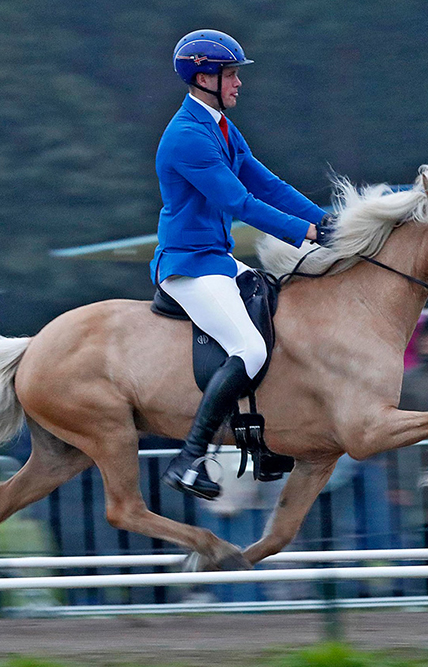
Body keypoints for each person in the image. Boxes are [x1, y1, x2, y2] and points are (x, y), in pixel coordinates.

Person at [152, 29, 333, 499]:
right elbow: (241, 202)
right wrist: (308, 234)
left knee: (275, 311)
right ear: (202, 77)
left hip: (215, 258)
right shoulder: (188, 137)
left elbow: (268, 185)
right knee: (250, 350)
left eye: (235, 74)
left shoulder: (221, 126)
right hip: (189, 265)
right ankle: (190, 460)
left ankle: (261, 441)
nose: (237, 83)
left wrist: (330, 221)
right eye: (230, 74)